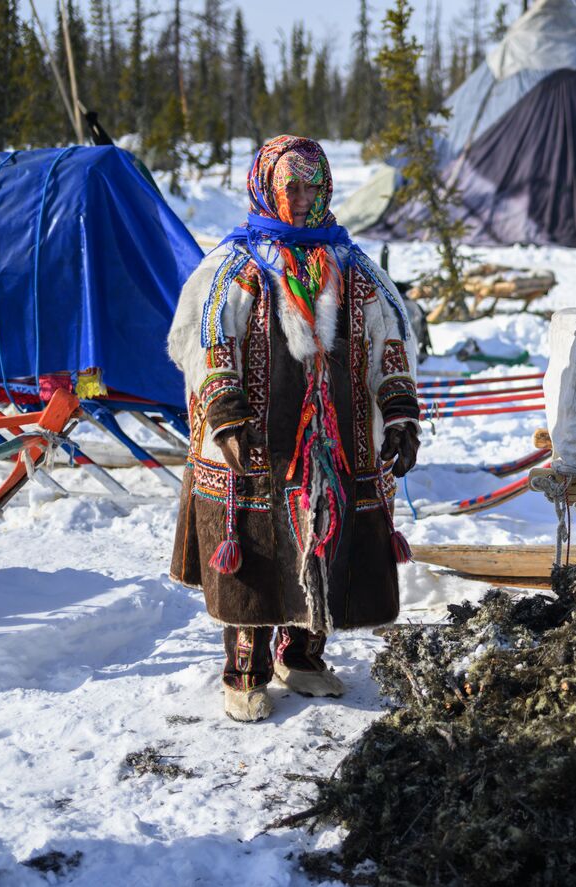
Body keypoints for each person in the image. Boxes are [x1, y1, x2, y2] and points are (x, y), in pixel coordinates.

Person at [167, 135, 420, 723]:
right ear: (267, 189)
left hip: (337, 442)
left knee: (326, 542)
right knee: (258, 550)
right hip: (258, 442)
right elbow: (209, 342)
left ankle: (302, 654)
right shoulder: (236, 267)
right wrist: (226, 413)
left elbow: (390, 342)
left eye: (314, 186)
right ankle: (246, 670)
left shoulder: (355, 269)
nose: (303, 199)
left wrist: (401, 414)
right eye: (292, 187)